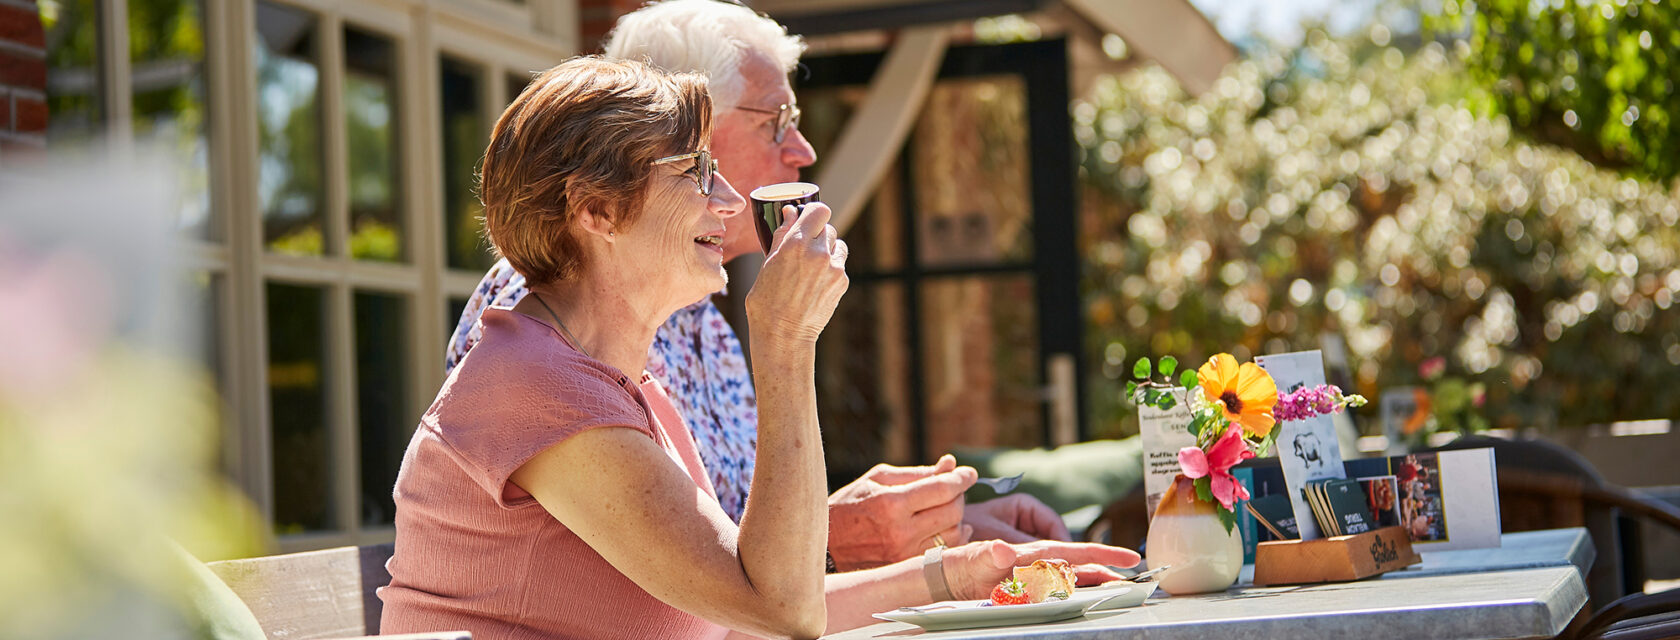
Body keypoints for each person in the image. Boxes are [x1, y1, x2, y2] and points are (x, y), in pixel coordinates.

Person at [384, 57, 1137, 639]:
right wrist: (784, 341)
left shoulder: (622, 386)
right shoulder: (535, 385)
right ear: (597, 210)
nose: (730, 203)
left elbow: (747, 608)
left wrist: (966, 574)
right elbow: (777, 609)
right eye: (695, 175)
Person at [444, 0, 1069, 573]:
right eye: (777, 119)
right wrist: (828, 534)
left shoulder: (698, 317)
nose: (802, 148)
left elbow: (734, 544)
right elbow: (709, 584)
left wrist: (950, 537)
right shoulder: (546, 318)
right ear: (669, 128)